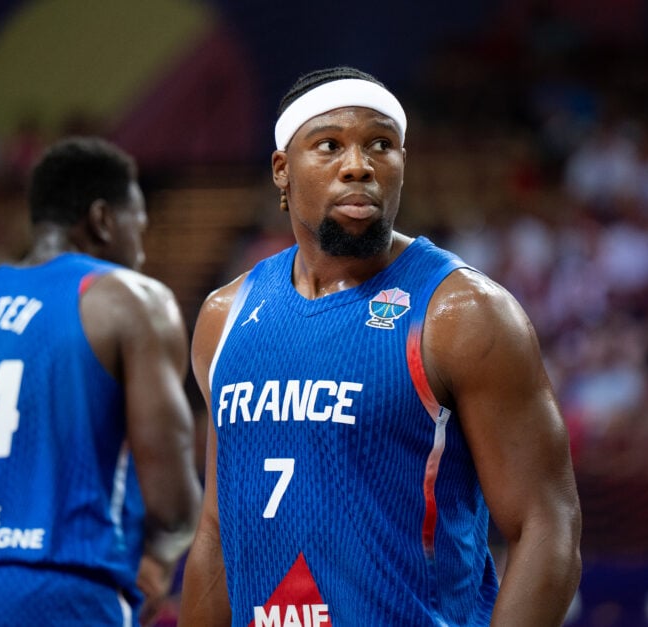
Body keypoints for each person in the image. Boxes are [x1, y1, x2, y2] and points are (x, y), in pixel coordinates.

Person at [179, 67, 582, 626]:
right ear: (282, 171)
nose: (358, 166)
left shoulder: (463, 314)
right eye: (329, 146)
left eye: (381, 146)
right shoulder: (224, 317)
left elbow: (547, 524)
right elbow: (217, 532)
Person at [0, 136, 201, 626]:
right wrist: (157, 564)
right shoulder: (126, 301)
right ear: (102, 219)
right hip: (66, 591)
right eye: (139, 227)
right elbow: (174, 507)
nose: (141, 252)